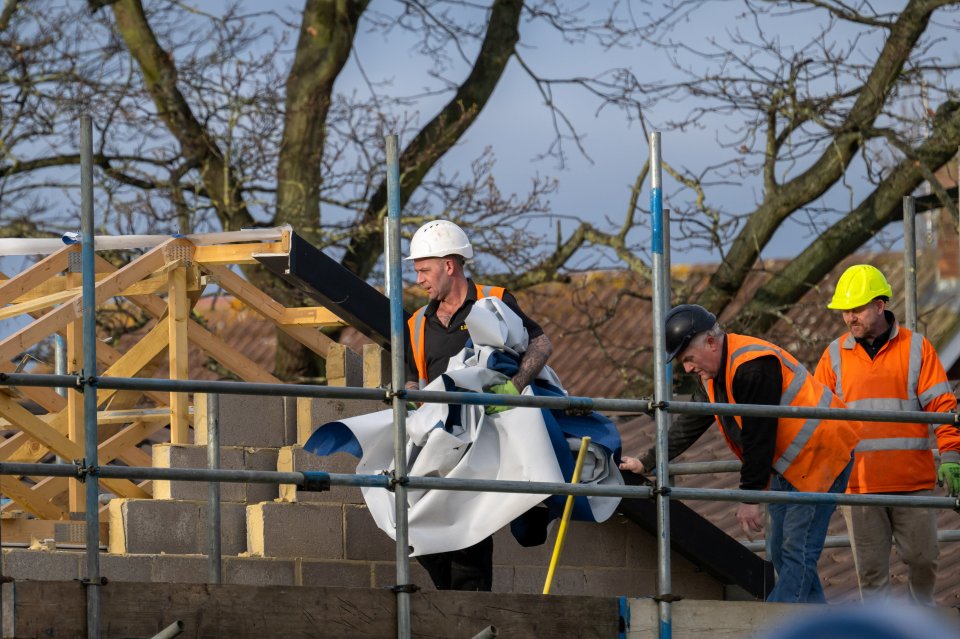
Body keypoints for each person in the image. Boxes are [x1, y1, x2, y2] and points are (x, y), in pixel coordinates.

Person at [620, 304, 860, 603]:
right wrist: (647, 461)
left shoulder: (752, 366)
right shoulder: (714, 374)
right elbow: (691, 421)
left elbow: (759, 436)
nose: (687, 368)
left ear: (710, 341)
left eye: (688, 358)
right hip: (792, 465)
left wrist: (749, 498)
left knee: (796, 554)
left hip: (822, 455)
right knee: (782, 556)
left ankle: (774, 629)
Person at [403, 219, 553, 591]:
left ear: (449, 265)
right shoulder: (417, 324)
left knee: (469, 533)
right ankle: (457, 599)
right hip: (446, 440)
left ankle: (467, 606)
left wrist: (513, 388)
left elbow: (540, 344)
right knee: (414, 522)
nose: (419, 280)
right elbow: (411, 381)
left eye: (424, 270)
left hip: (494, 432)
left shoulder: (495, 300)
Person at [813, 264, 960, 605]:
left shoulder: (917, 349)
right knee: (870, 573)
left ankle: (918, 620)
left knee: (924, 559)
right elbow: (817, 420)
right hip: (860, 488)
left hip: (913, 484)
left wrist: (951, 457)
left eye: (857, 309)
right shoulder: (833, 356)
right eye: (845, 311)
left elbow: (943, 406)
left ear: (880, 306)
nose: (850, 318)